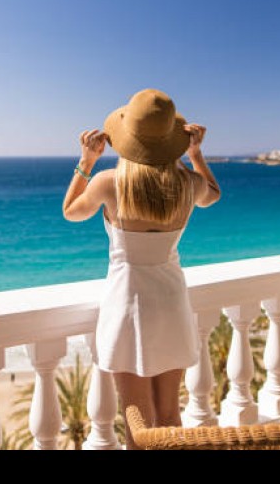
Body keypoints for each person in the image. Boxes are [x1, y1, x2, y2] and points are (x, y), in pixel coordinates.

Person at [62, 88, 221, 449]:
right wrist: (196, 155)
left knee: (137, 418)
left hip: (127, 305)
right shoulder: (188, 184)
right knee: (169, 414)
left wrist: (86, 161)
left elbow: (70, 211)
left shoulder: (109, 183)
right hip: (170, 301)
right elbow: (213, 192)